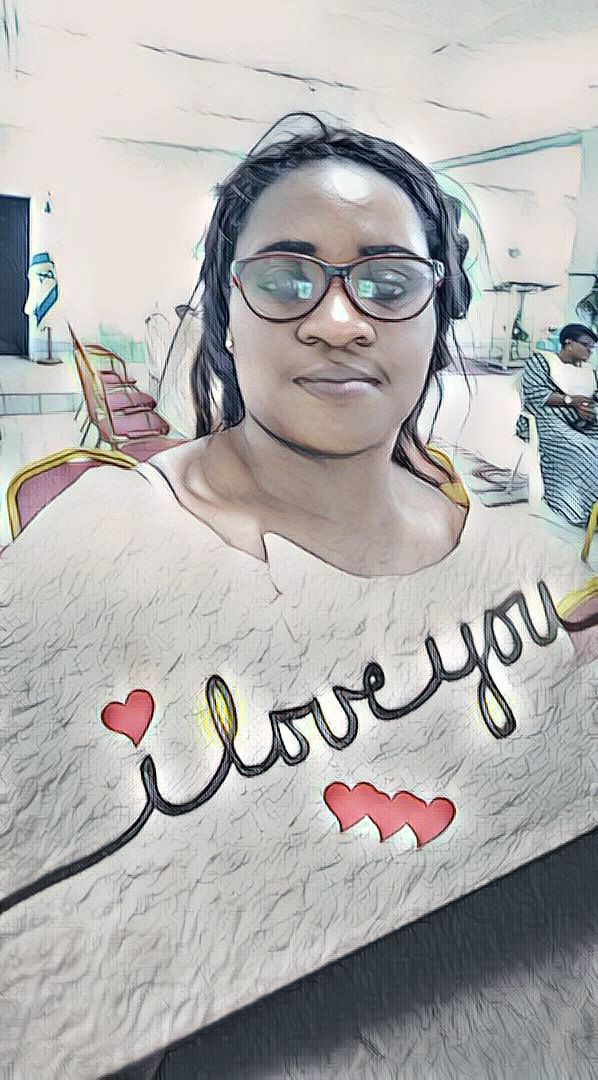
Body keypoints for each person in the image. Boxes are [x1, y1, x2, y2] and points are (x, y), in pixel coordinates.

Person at [0, 114, 597, 1080]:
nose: (339, 321)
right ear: (225, 312)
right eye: (286, 279)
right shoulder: (97, 548)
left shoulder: (524, 567)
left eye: (389, 283)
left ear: (438, 314)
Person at [516, 322, 598, 526]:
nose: (590, 350)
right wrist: (572, 401)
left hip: (584, 420)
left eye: (592, 347)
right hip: (548, 419)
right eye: (586, 345)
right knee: (584, 450)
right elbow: (535, 394)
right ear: (568, 343)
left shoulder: (590, 371)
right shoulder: (542, 361)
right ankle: (579, 507)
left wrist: (588, 405)